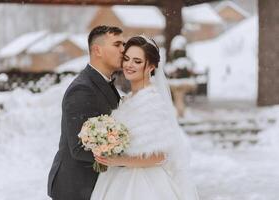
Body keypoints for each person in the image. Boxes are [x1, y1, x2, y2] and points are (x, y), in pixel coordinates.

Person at [91, 36, 199, 200]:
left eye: (137, 61)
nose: (129, 65)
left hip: (144, 185)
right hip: (117, 179)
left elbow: (160, 156)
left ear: (151, 66)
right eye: (126, 59)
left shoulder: (152, 101)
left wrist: (119, 160)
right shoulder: (129, 98)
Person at [47, 25, 125, 200]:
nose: (123, 50)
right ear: (97, 50)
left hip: (98, 186)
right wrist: (127, 159)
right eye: (117, 44)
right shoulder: (82, 89)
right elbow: (79, 148)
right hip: (76, 188)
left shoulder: (105, 84)